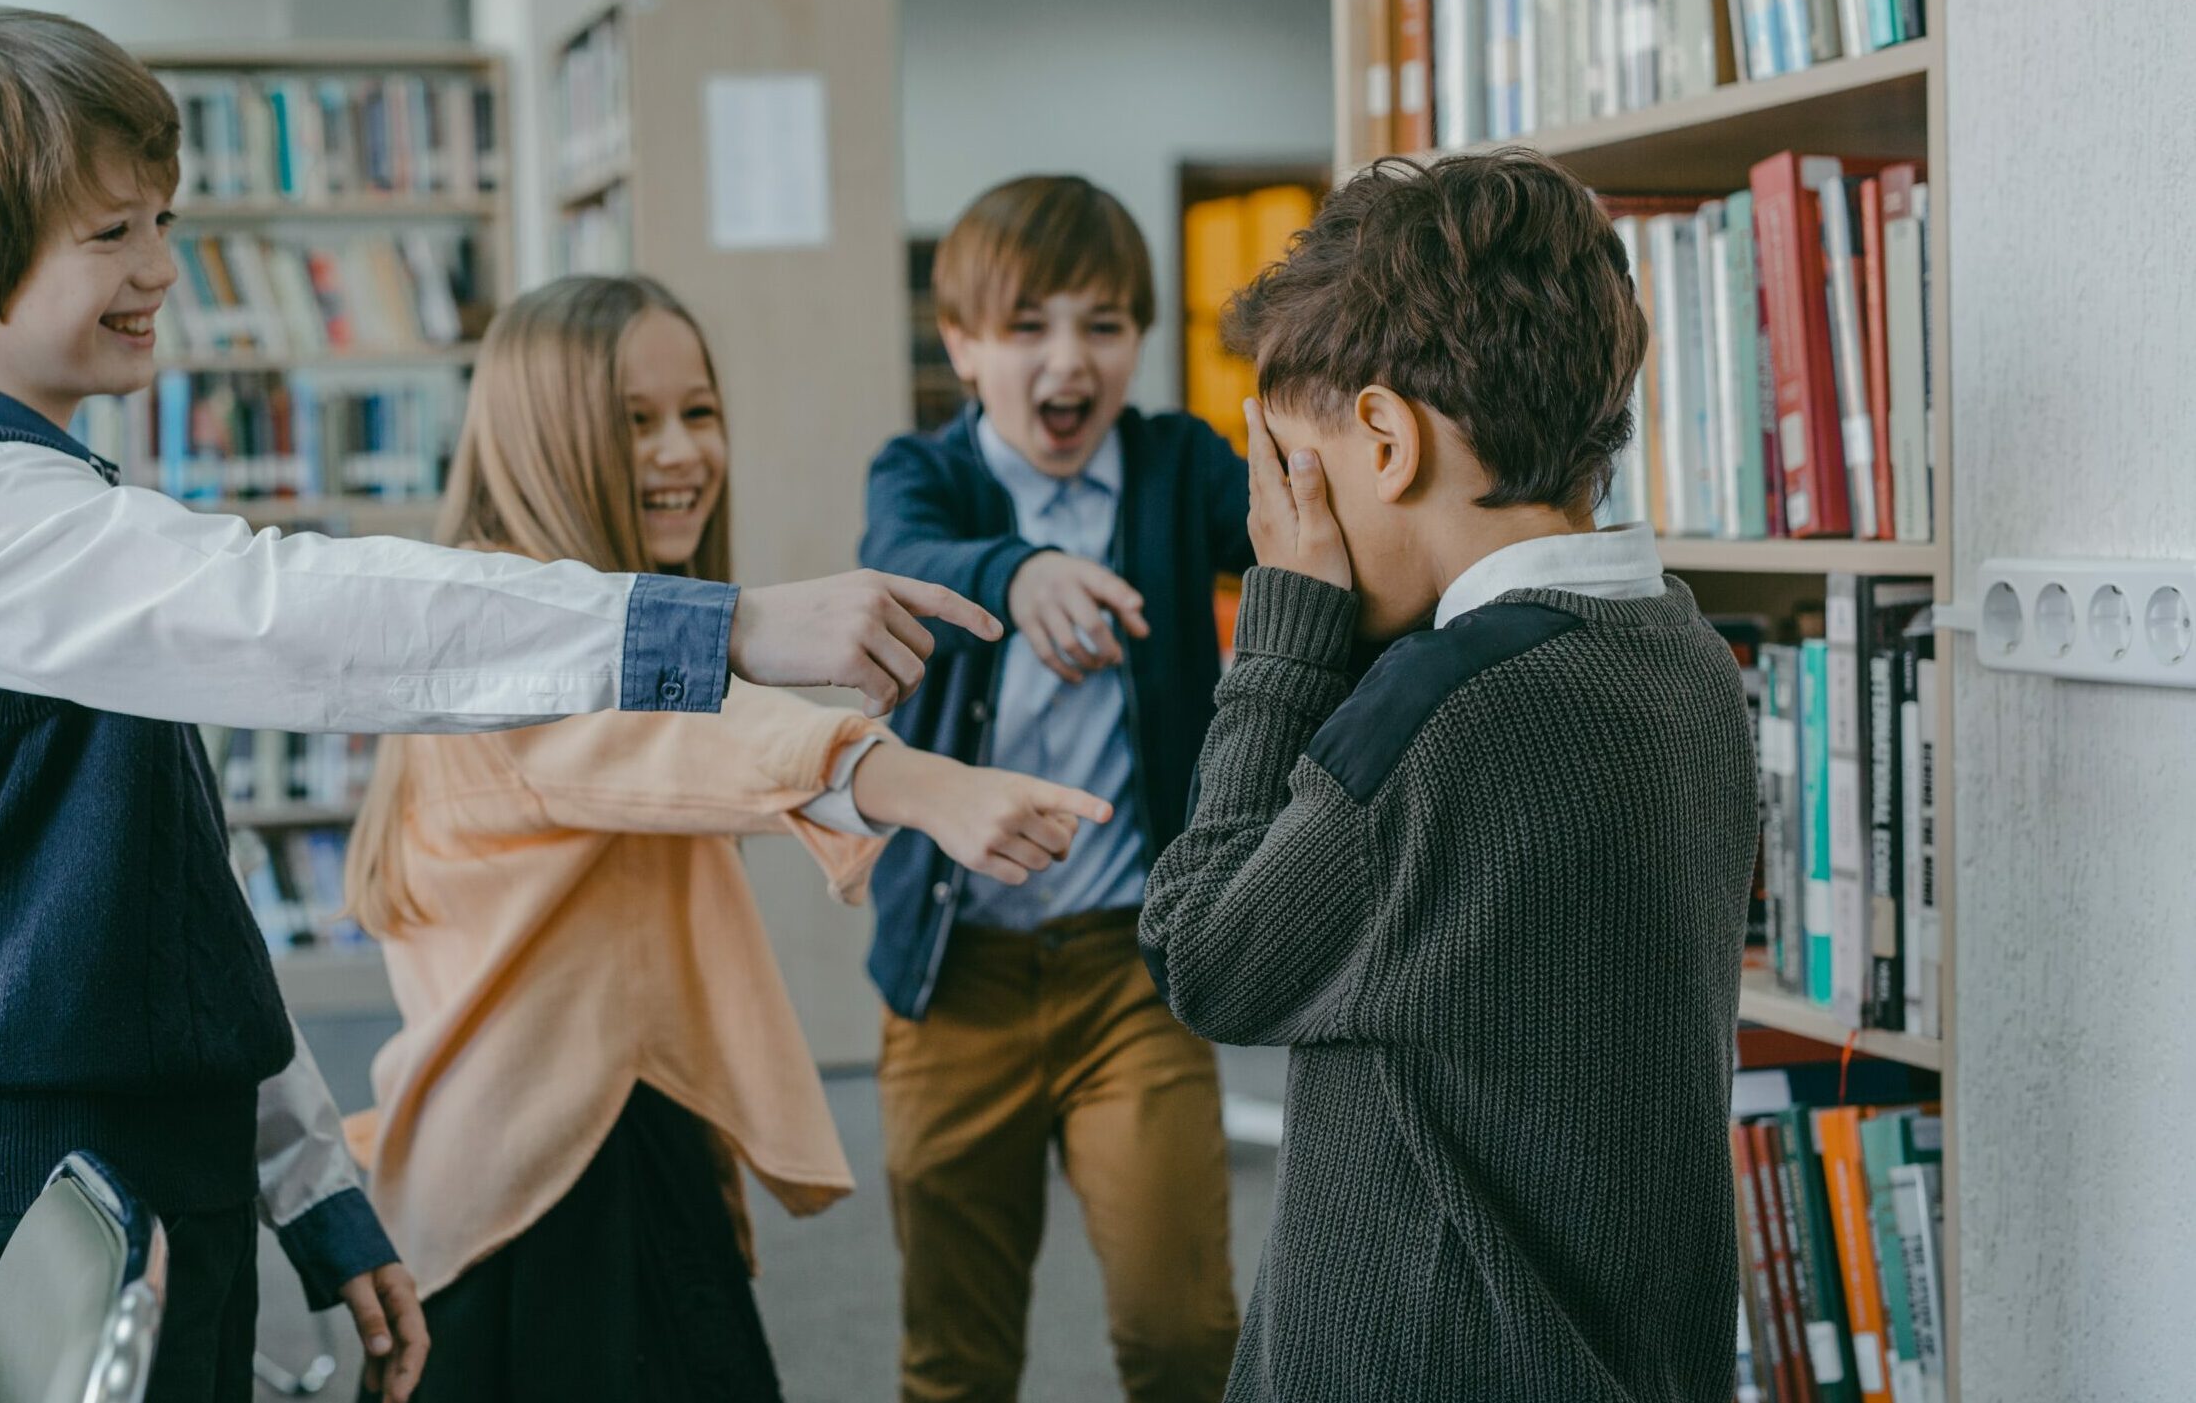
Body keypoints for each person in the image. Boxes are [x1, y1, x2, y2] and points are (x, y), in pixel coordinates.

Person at [0, 5, 991, 1402]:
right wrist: (720, 622)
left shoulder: (58, 503)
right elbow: (305, 615)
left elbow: (181, 910)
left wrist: (312, 1187)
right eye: (112, 233)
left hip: (146, 1169)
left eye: (162, 222)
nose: (165, 269)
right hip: (59, 1192)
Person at [344, 274, 1110, 1402]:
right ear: (544, 437)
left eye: (697, 413)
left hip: (595, 1133)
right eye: (632, 420)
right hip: (545, 1181)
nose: (680, 453)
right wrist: (913, 781)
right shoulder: (513, 637)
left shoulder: (558, 616)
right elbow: (683, 735)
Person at [1138, 150, 1761, 1401]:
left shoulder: (1436, 720)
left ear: (1381, 437)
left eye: (1284, 470)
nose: (1280, 518)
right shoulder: (1685, 654)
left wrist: (1279, 633)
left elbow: (1200, 953)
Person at [857, 175, 1253, 1402]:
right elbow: (898, 558)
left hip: (1127, 972)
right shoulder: (922, 476)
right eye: (1026, 327)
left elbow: (1298, 539)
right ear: (963, 345)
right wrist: (1017, 570)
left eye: (1103, 325)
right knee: (956, 1358)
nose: (1066, 362)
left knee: (1184, 1336)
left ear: (1139, 339)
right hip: (951, 973)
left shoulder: (1176, 465)